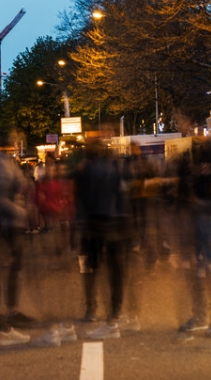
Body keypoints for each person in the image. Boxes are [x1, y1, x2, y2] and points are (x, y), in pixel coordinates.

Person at [75, 139, 131, 339]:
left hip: (94, 223)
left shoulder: (87, 170)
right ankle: (115, 313)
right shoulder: (115, 168)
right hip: (115, 223)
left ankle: (93, 310)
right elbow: (124, 194)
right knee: (115, 270)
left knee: (90, 267)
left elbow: (82, 199)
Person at [176, 138, 211, 339]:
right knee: (195, 268)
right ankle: (199, 316)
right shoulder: (189, 155)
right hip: (194, 214)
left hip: (208, 213)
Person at [0, 154, 33, 335]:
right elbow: (0, 198)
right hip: (5, 226)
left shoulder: (10, 166)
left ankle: (10, 310)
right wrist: (21, 212)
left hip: (10, 225)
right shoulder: (4, 167)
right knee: (1, 269)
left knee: (13, 269)